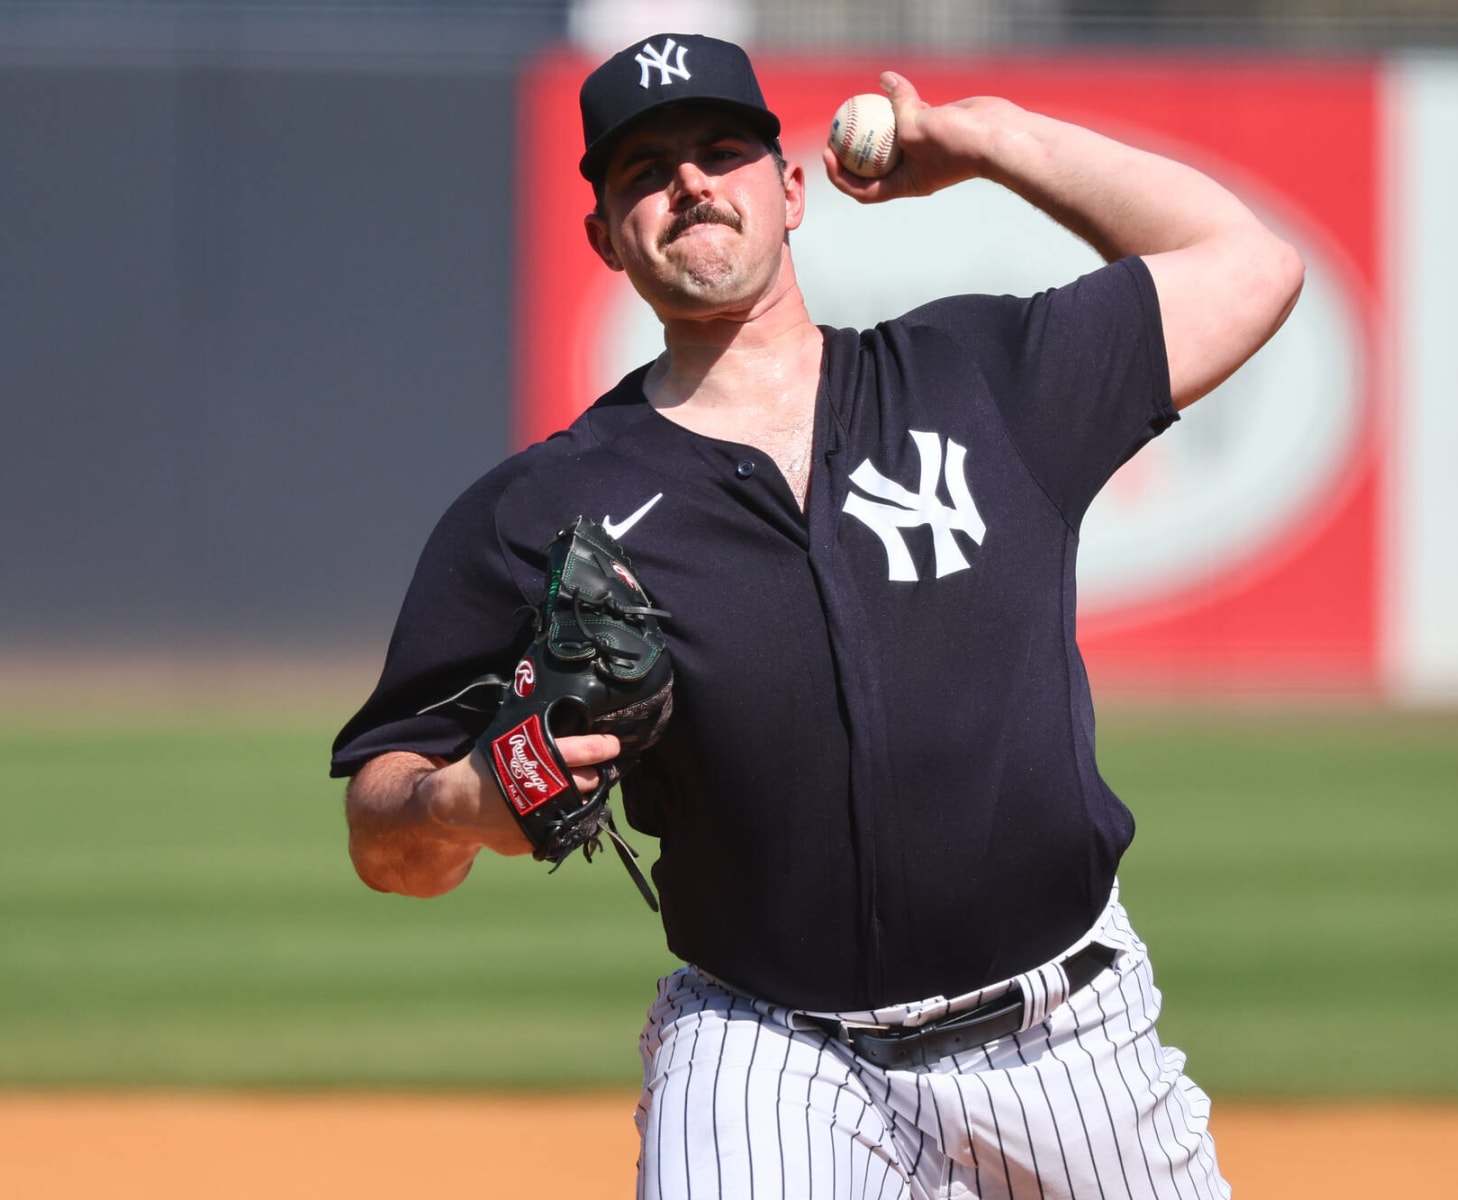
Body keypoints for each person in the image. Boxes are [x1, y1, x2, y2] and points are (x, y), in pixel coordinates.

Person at [331, 30, 1302, 1200]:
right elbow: (385, 841)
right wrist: (461, 801)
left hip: (1069, 1034)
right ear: (603, 236)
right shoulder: (540, 509)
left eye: (722, 150)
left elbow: (1250, 265)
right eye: (644, 169)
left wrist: (990, 138)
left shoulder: (980, 379)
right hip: (769, 1047)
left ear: (790, 191)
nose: (689, 181)